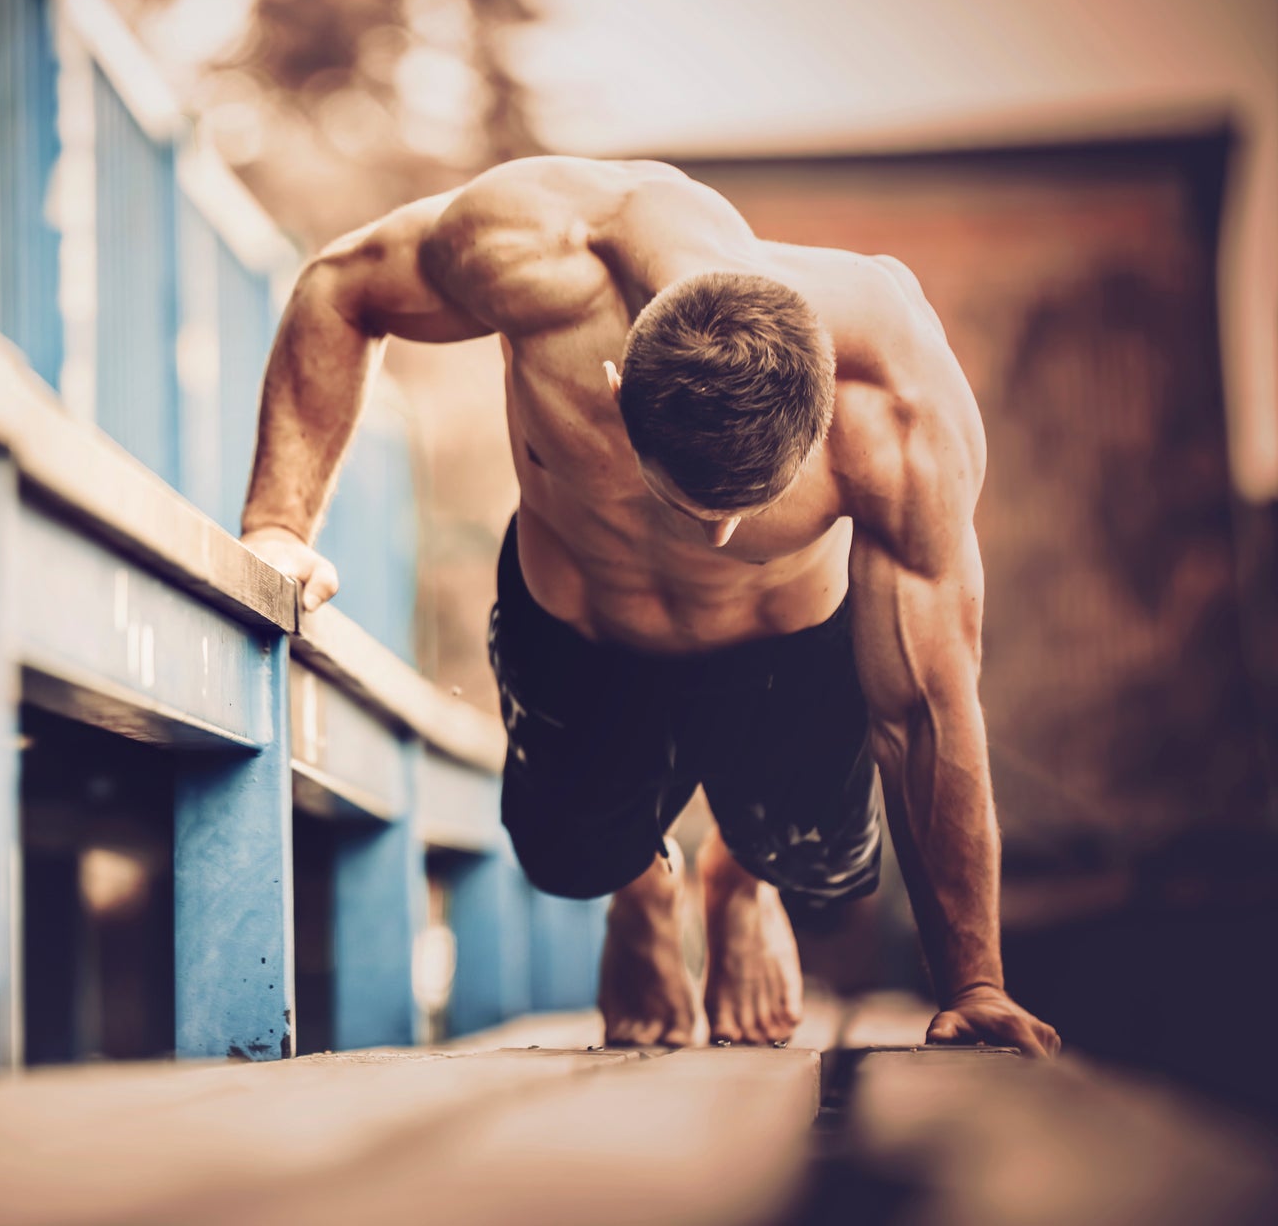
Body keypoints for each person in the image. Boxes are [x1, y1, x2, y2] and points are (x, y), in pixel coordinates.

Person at [240, 157, 1060, 1055]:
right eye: (687, 504)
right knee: (565, 860)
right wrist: (278, 525)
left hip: (783, 651)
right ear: (617, 383)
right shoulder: (532, 254)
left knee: (825, 866)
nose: (715, 538)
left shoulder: (894, 398)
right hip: (582, 633)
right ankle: (642, 886)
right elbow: (340, 287)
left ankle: (741, 882)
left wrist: (977, 980)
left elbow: (927, 707)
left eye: (742, 512)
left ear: (820, 414)